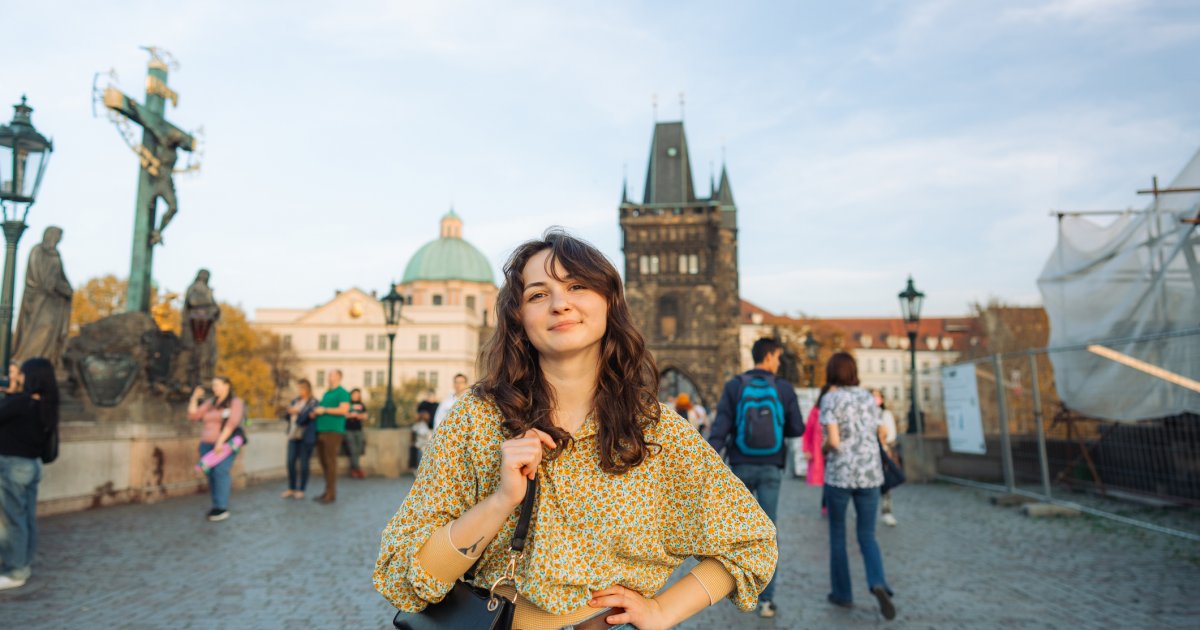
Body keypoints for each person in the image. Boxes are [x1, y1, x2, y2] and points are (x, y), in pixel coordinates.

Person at [374, 230, 777, 629]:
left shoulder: (655, 431)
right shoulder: (476, 421)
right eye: (537, 294)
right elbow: (402, 578)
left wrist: (663, 609)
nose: (560, 304)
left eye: (577, 285)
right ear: (518, 318)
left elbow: (752, 541)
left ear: (608, 301)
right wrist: (500, 502)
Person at [707, 337, 805, 618]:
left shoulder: (735, 386)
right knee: (769, 532)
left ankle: (735, 589)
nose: (778, 362)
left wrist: (709, 466)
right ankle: (767, 600)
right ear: (771, 356)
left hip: (741, 466)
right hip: (771, 467)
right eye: (778, 357)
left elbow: (720, 429)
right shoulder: (783, 388)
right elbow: (797, 428)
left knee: (739, 532)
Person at [821, 353, 895, 620]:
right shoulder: (868, 397)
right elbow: (880, 433)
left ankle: (842, 593)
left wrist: (823, 447)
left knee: (838, 535)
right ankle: (878, 582)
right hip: (870, 475)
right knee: (867, 534)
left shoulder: (831, 399)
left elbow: (835, 441)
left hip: (840, 476)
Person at [0, 358, 59, 591]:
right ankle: (25, 562)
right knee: (26, 517)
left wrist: (9, 394)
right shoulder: (45, 404)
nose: (19, 378)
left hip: (13, 465)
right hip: (31, 465)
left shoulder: (22, 403)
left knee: (11, 519)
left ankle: (16, 570)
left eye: (21, 374)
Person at [187, 376, 245, 522]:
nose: (214, 388)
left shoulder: (235, 402)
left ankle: (221, 507)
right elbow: (193, 416)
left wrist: (220, 442)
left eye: (217, 385)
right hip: (206, 443)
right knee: (212, 474)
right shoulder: (211, 402)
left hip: (225, 444)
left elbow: (232, 423)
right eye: (213, 385)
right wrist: (194, 398)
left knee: (221, 471)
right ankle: (216, 505)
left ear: (227, 385)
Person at [311, 369, 350, 504]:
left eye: (332, 375)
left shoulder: (342, 393)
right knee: (323, 462)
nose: (329, 377)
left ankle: (331, 493)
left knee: (330, 462)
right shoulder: (327, 393)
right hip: (321, 429)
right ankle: (327, 490)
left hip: (333, 431)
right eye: (329, 375)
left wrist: (325, 410)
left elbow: (344, 410)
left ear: (339, 377)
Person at [281, 378, 319, 499]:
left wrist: (297, 412)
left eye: (300, 388)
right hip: (293, 435)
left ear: (307, 389)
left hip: (306, 436)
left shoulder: (313, 402)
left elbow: (308, 417)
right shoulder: (295, 401)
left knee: (303, 463)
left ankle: (301, 489)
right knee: (290, 462)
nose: (299, 390)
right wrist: (289, 411)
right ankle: (291, 487)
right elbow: (287, 416)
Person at [802, 384, 833, 514]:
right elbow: (808, 431)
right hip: (820, 451)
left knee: (832, 479)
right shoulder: (816, 411)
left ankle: (830, 504)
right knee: (826, 480)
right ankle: (826, 504)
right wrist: (806, 449)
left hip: (834, 450)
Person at [872, 388, 899, 527]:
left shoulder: (885, 414)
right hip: (869, 454)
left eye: (877, 396)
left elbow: (892, 433)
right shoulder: (866, 413)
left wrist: (884, 438)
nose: (875, 399)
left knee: (886, 484)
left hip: (883, 452)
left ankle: (886, 512)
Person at [345, 388, 368, 479]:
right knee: (352, 449)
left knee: (358, 449)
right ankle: (357, 469)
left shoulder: (361, 405)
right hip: (348, 429)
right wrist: (351, 415)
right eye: (354, 394)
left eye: (357, 394)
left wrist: (359, 416)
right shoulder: (347, 404)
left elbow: (365, 415)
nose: (356, 396)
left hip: (358, 429)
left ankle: (355, 469)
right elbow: (344, 414)